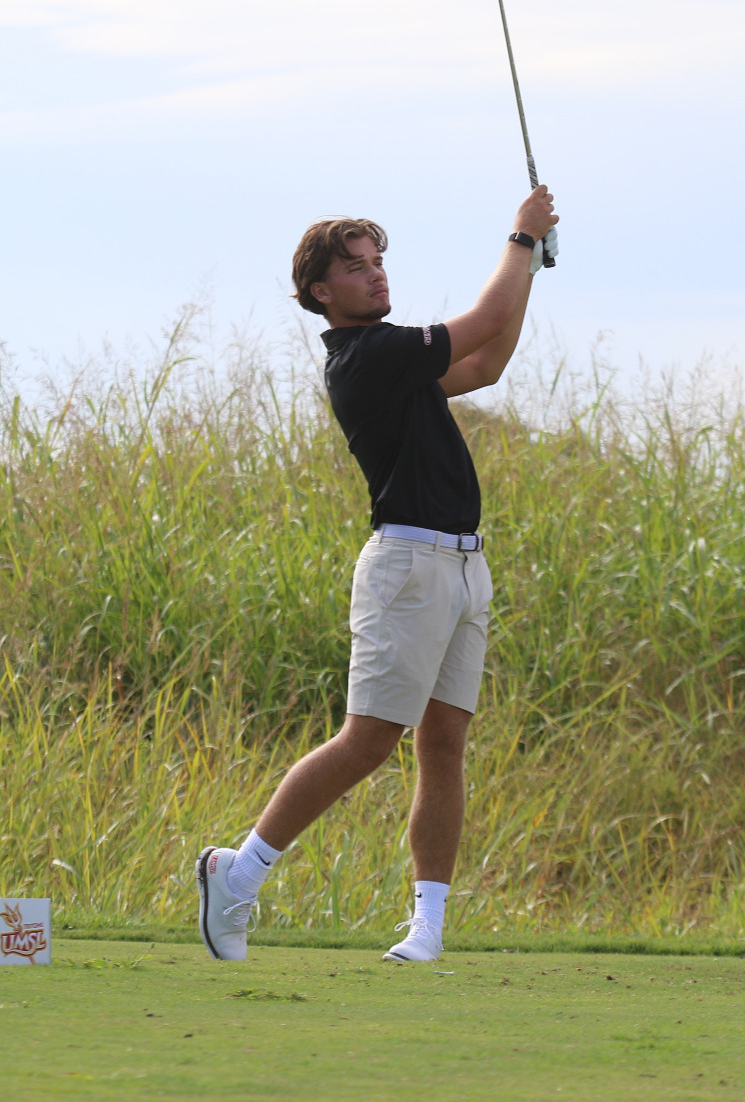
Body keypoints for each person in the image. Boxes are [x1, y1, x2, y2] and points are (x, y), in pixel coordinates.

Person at [196, 185, 559, 963]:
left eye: (379, 262)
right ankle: (239, 872)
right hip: (407, 565)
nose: (376, 275)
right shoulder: (367, 357)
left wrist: (529, 269)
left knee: (445, 745)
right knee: (370, 737)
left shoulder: (399, 359)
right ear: (320, 292)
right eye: (356, 268)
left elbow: (489, 361)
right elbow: (484, 322)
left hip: (464, 565)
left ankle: (425, 927)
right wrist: (522, 240)